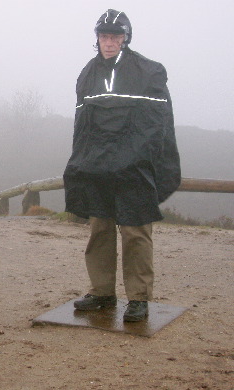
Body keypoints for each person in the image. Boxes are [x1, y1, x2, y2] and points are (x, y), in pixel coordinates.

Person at [63, 9, 181, 322]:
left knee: (135, 233)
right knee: (99, 230)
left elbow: (159, 126)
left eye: (115, 36)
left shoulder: (149, 71)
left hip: (134, 169)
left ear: (125, 38)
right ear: (97, 38)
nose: (109, 41)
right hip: (97, 168)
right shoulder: (87, 74)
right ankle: (101, 291)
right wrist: (80, 161)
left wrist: (146, 162)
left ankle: (139, 298)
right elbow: (82, 125)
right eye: (104, 36)